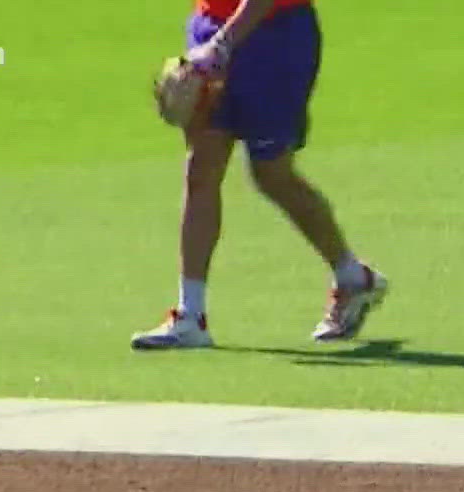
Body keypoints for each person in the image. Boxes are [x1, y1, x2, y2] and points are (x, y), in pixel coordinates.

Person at [132, 0, 386, 350]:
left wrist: (222, 44)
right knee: (200, 169)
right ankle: (190, 316)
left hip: (275, 37)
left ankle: (353, 277)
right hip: (210, 26)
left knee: (271, 173)